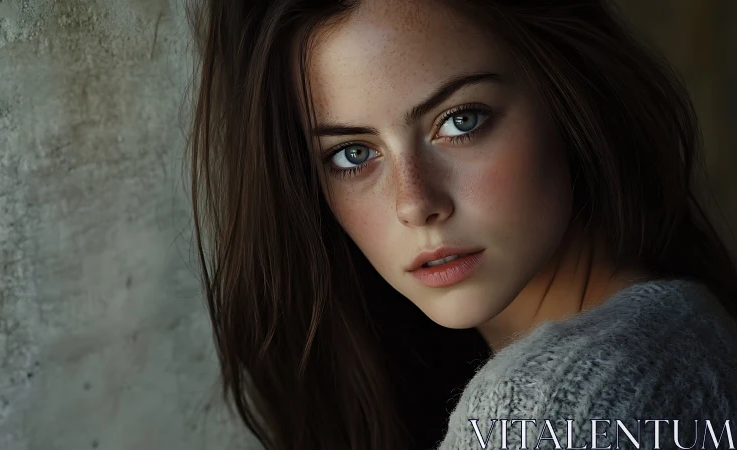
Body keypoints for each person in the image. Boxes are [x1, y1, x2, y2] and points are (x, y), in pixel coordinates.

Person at [183, 0, 737, 449]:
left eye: (460, 120)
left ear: (569, 94)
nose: (414, 203)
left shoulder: (538, 413)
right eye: (352, 155)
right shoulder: (693, 325)